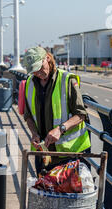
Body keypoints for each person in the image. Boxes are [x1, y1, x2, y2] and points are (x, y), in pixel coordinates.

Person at [21, 46, 91, 176]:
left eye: (40, 67)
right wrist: (34, 133)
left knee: (68, 194)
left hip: (69, 154)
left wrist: (60, 129)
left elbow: (81, 114)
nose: (38, 73)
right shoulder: (30, 82)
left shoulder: (67, 80)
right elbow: (28, 115)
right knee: (44, 193)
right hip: (43, 154)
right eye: (34, 70)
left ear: (47, 58)